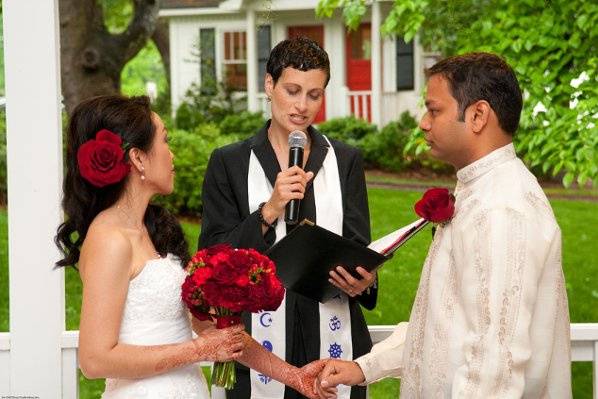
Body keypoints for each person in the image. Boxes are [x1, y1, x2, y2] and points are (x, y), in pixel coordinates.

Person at [315, 52, 572, 398]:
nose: (423, 122)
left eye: (434, 110)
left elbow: (494, 365)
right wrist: (366, 366)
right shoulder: (478, 193)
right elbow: (443, 328)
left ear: (478, 115)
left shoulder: (502, 208)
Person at [54, 95, 325, 399]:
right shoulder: (110, 238)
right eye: (165, 141)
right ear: (138, 158)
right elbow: (94, 360)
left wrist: (294, 375)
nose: (172, 155)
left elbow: (213, 332)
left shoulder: (152, 233)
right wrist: (198, 350)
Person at [200, 36, 377, 399]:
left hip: (331, 332)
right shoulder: (229, 163)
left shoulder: (344, 161)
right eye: (292, 90)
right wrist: (269, 211)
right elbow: (212, 261)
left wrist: (365, 282)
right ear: (269, 84)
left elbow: (358, 246)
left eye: (314, 95)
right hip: (255, 343)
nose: (302, 106)